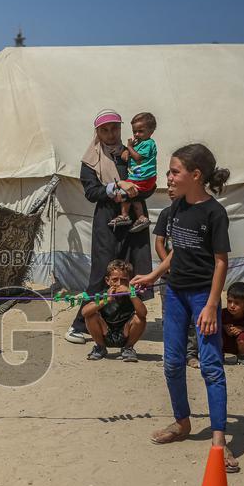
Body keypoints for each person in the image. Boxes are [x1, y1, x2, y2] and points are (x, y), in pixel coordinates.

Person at [131, 144, 236, 471]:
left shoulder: (215, 213)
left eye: (174, 171)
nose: (168, 177)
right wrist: (152, 274)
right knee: (172, 363)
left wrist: (211, 304)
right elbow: (179, 251)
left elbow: (221, 262)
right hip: (175, 294)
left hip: (203, 296)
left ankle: (219, 440)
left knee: (210, 366)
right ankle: (182, 422)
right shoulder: (175, 208)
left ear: (196, 175)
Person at [67, 110, 152, 344]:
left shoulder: (133, 152)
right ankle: (80, 323)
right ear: (97, 132)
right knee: (101, 271)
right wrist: (115, 188)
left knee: (134, 270)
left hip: (134, 217)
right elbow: (91, 191)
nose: (110, 134)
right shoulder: (90, 160)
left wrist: (138, 188)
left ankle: (126, 321)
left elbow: (148, 178)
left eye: (114, 128)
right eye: (105, 130)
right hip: (107, 219)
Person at [154, 198, 199, 368]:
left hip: (191, 275)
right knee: (170, 316)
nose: (171, 188)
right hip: (169, 276)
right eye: (168, 184)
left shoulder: (198, 213)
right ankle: (172, 353)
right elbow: (159, 242)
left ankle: (191, 354)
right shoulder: (166, 213)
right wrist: (169, 265)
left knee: (193, 318)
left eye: (174, 183)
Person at [81, 259, 146, 362]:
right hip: (105, 332)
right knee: (91, 316)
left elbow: (143, 313)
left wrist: (131, 294)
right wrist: (106, 300)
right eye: (115, 280)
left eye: (124, 280)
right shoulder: (102, 295)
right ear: (108, 280)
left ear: (129, 280)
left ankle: (128, 348)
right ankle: (100, 347)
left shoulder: (132, 295)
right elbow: (84, 312)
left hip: (125, 333)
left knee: (139, 319)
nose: (119, 284)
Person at [110, 112, 157, 233]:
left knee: (126, 191)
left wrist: (129, 147)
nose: (136, 134)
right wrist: (126, 152)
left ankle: (124, 215)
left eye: (140, 131)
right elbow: (128, 158)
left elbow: (138, 158)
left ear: (151, 131)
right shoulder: (140, 143)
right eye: (134, 131)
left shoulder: (149, 143)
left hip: (143, 177)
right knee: (135, 197)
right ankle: (141, 217)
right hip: (139, 176)